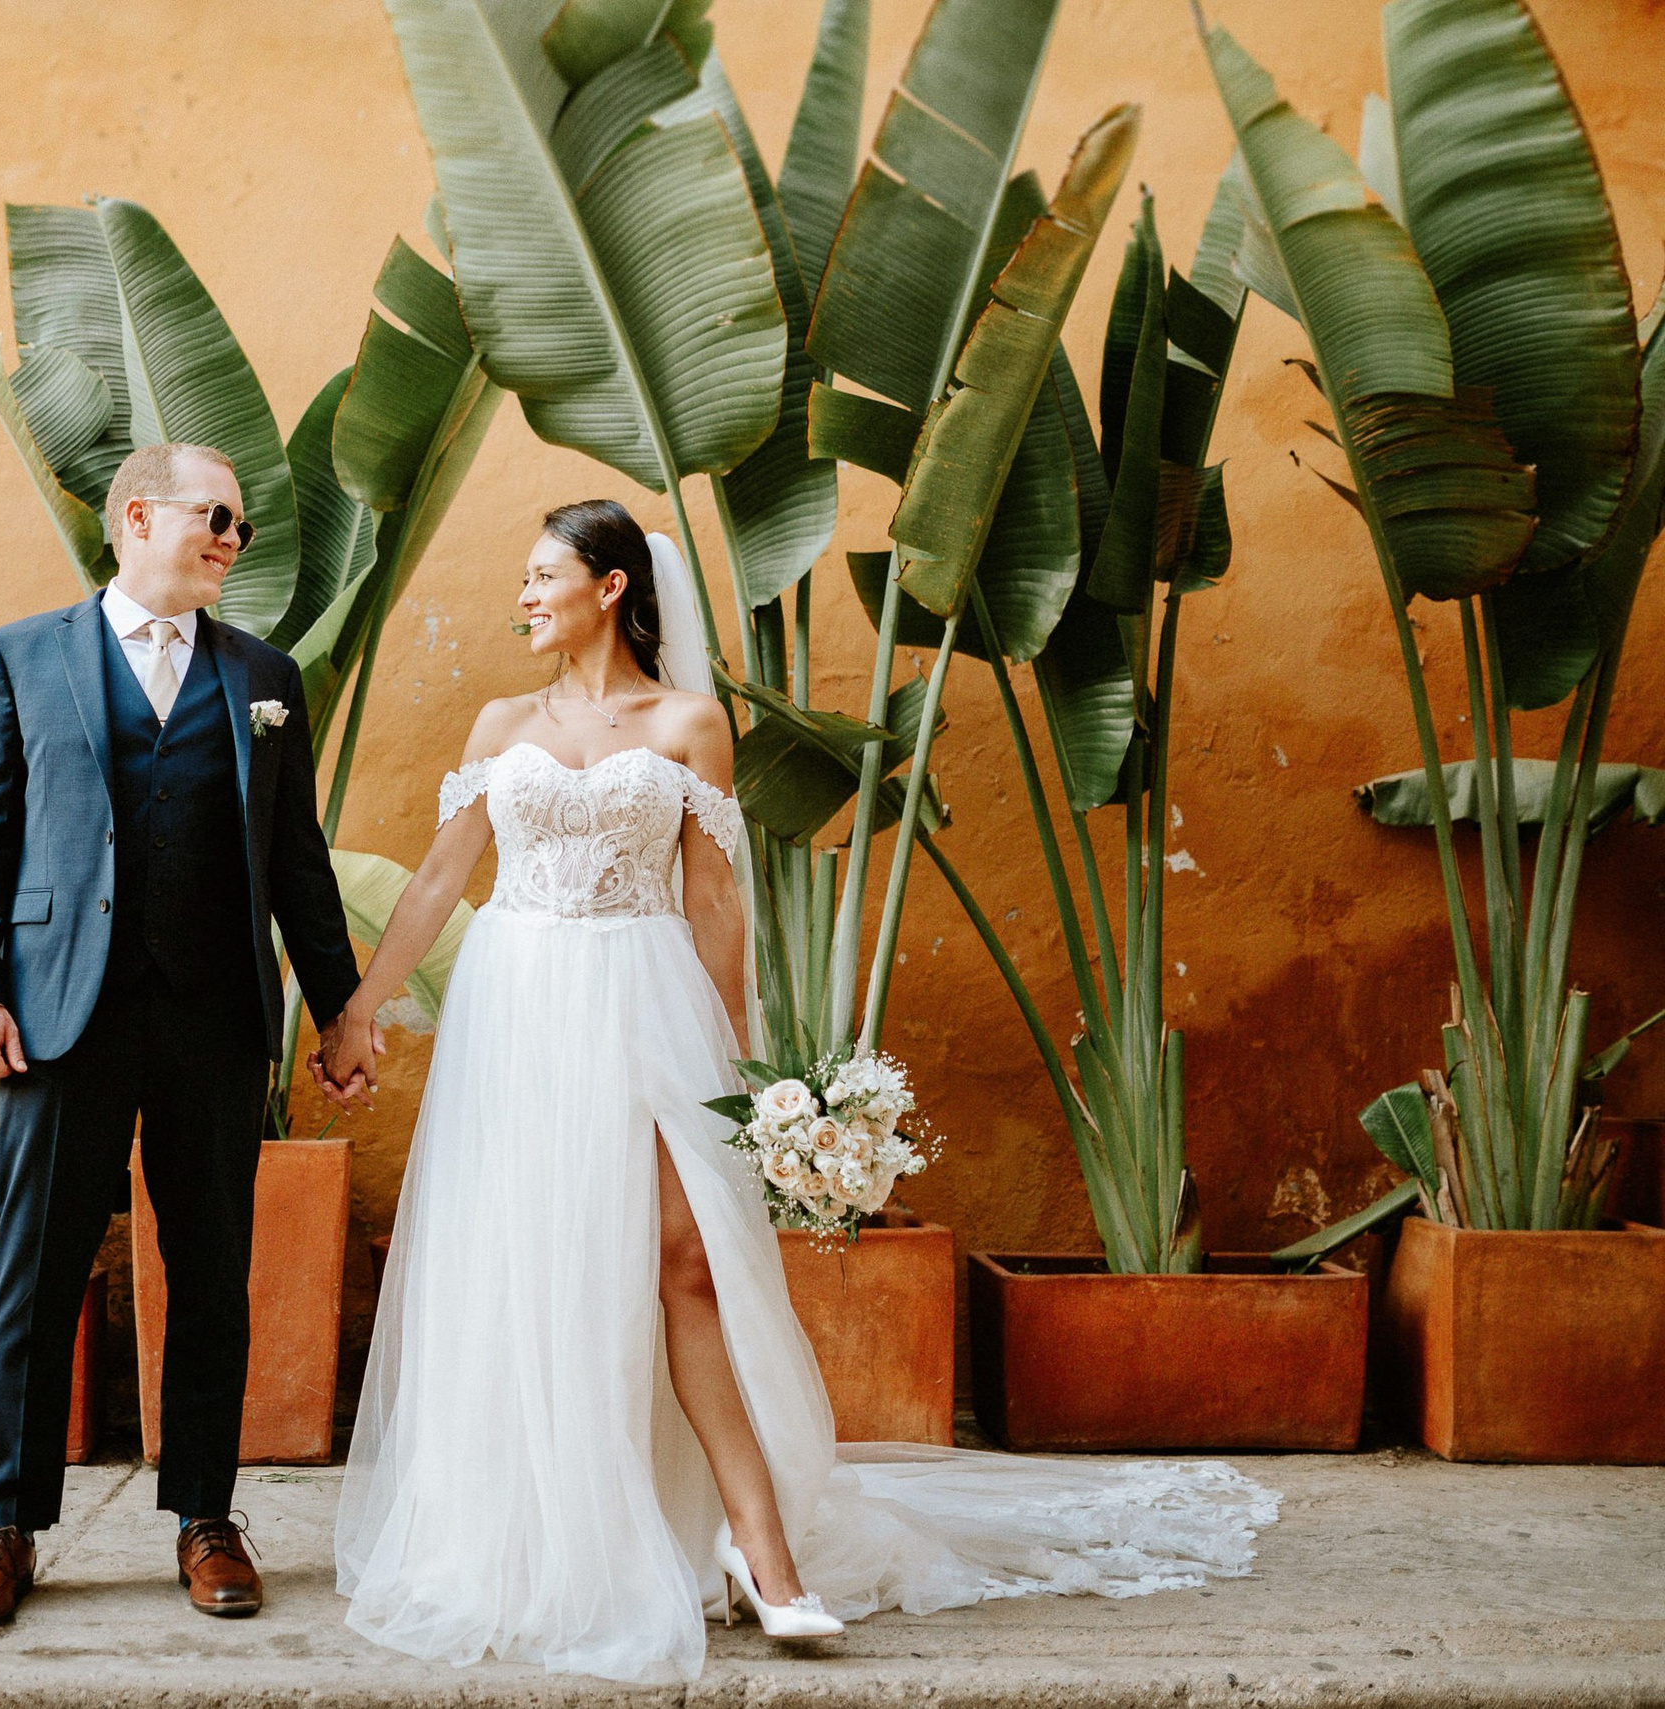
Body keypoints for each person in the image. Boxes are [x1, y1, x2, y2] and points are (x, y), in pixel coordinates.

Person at [319, 499, 1277, 1685]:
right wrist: (362, 1006)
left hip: (644, 1001)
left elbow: (715, 898)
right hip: (515, 1012)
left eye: (541, 573)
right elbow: (433, 880)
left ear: (611, 586)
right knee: (535, 1268)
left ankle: (767, 1552)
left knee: (684, 1265)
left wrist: (739, 1067)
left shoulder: (686, 721)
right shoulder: (501, 719)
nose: (521, 594)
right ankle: (546, 1541)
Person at [0, 442, 375, 1632]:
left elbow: (297, 860)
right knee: (35, 1270)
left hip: (214, 1016)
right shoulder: (24, 655)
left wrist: (337, 1010)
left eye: (241, 525)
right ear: (139, 514)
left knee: (213, 1275)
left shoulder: (263, 674)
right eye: (217, 517)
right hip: (57, 1016)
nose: (235, 539)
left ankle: (205, 1513)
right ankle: (5, 1523)